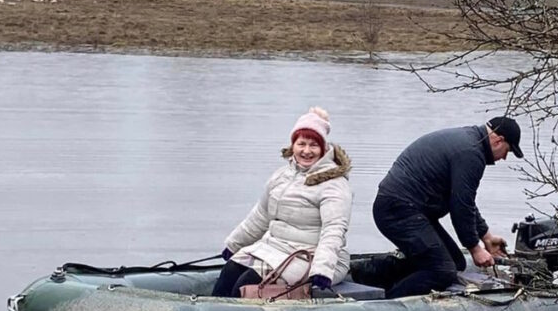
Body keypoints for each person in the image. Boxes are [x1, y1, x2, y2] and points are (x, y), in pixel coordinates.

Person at [372, 116, 523, 298]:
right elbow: (460, 207)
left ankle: (367, 273)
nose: (505, 158)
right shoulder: (471, 153)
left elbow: (464, 200)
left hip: (407, 208)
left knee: (455, 262)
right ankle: (389, 306)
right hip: (398, 209)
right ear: (498, 140)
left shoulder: (470, 142)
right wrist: (475, 248)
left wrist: (487, 237)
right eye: (507, 151)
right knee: (442, 271)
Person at [211, 106, 353, 297]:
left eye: (314, 145)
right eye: (301, 144)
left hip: (309, 255)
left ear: (324, 149)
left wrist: (322, 270)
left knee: (246, 283)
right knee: (230, 270)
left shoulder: (334, 184)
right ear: (293, 145)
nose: (307, 151)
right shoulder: (281, 176)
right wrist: (234, 244)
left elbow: (333, 230)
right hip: (275, 247)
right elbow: (260, 216)